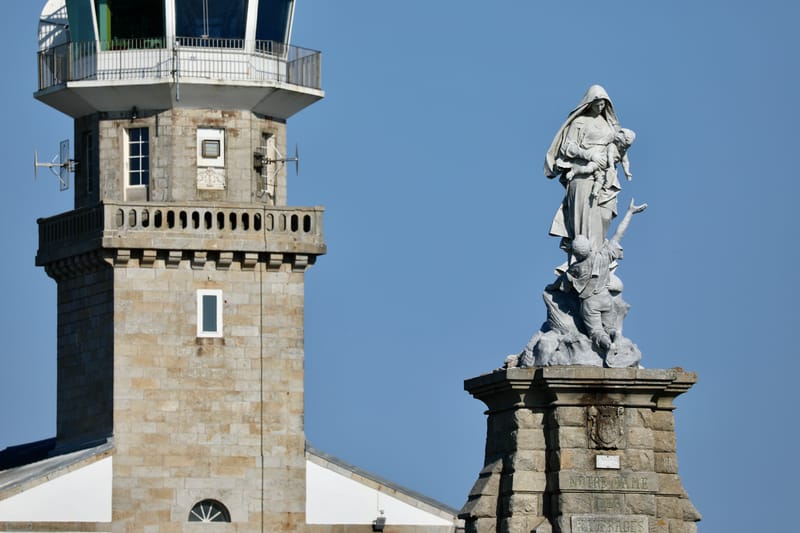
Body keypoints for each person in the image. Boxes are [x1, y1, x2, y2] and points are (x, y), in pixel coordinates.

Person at [544, 85, 629, 253]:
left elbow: (619, 146)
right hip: (582, 175)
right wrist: (589, 155)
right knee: (583, 219)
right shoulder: (579, 122)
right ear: (590, 103)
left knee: (604, 216)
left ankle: (598, 255)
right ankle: (583, 258)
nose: (600, 107)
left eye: (603, 104)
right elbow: (566, 147)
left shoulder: (608, 124)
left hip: (605, 175)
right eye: (597, 104)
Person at [563, 199, 647, 352]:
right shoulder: (603, 257)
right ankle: (615, 337)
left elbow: (566, 286)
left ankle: (608, 346)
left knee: (596, 332)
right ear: (589, 247)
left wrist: (556, 286)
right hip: (605, 299)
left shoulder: (575, 268)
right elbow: (618, 235)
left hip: (590, 304)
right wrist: (629, 213)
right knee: (610, 327)